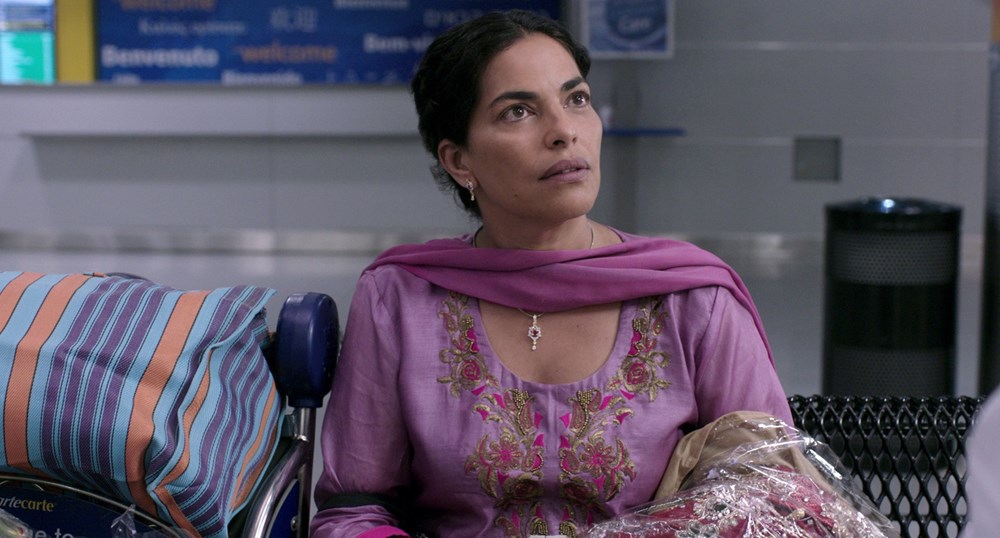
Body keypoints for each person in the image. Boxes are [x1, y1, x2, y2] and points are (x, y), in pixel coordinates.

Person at [310, 10, 792, 538]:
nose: (564, 132)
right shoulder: (401, 297)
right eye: (518, 112)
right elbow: (355, 508)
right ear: (459, 160)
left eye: (576, 99)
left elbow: (774, 500)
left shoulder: (691, 297)